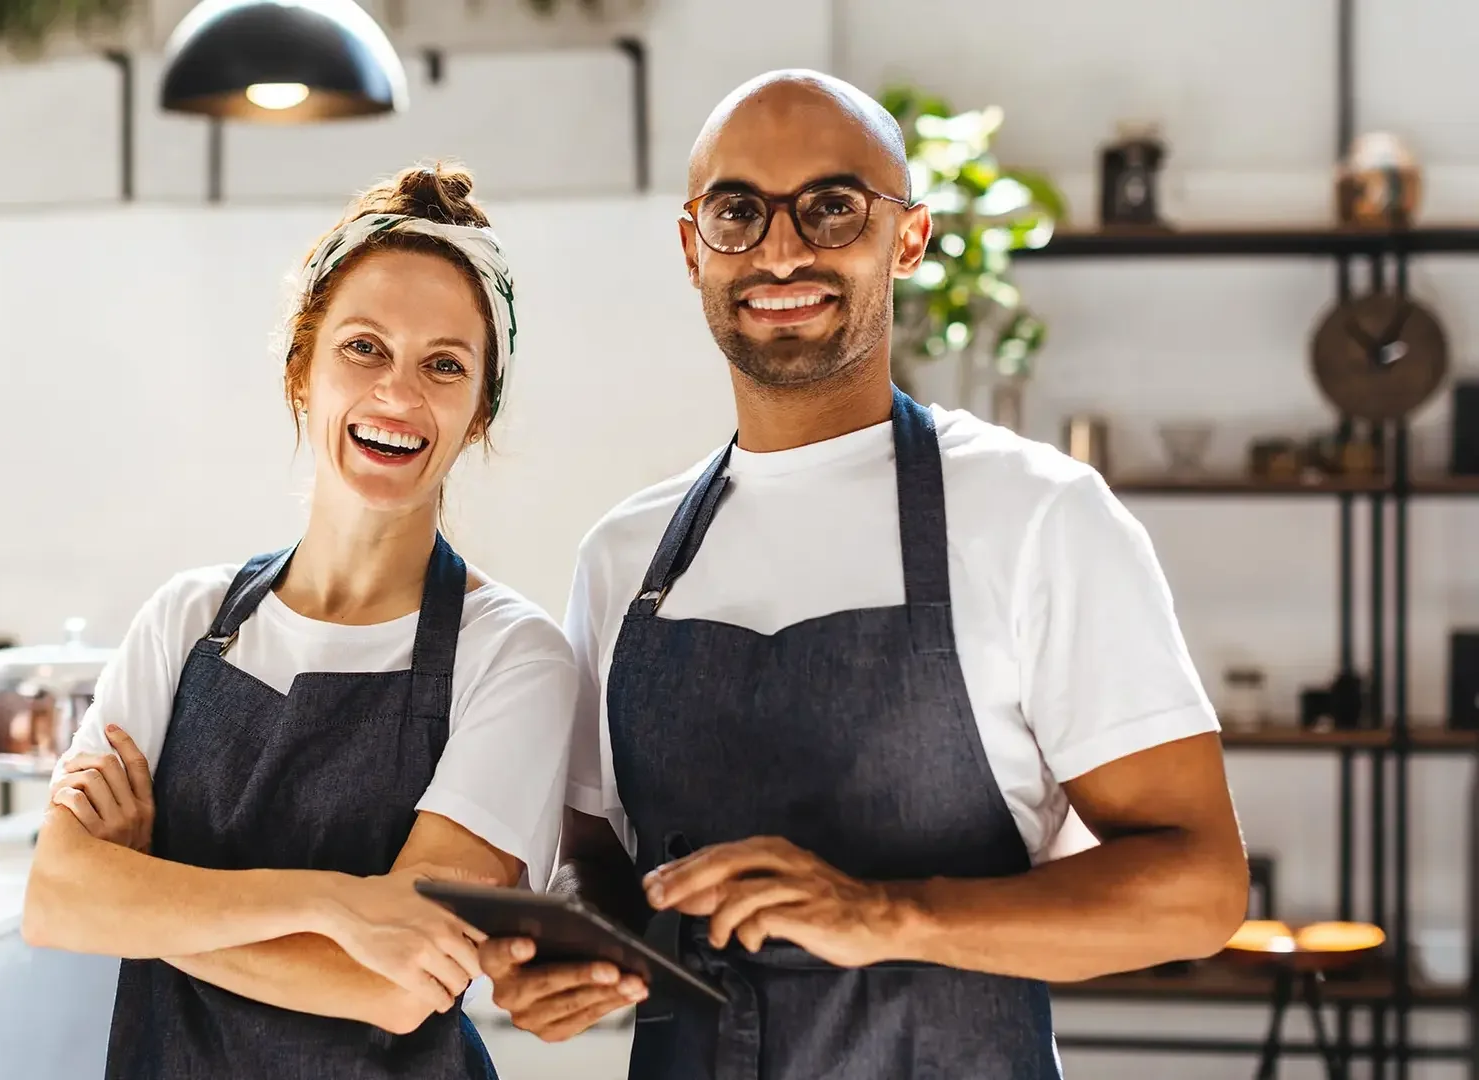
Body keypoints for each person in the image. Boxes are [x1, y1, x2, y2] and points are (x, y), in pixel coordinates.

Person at [477, 70, 1250, 1078]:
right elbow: (593, 859)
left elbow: (1197, 892)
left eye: (831, 207)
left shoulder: (1035, 517)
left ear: (908, 240)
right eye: (737, 212)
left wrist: (883, 914)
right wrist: (568, 949)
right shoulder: (625, 557)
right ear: (690, 248)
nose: (781, 249)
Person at [21, 162, 579, 1080]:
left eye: (444, 365)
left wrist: (146, 886)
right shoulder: (188, 620)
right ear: (300, 371)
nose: (397, 394)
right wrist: (336, 905)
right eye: (363, 347)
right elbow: (56, 899)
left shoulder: (512, 656)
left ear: (478, 412)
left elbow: (400, 984)